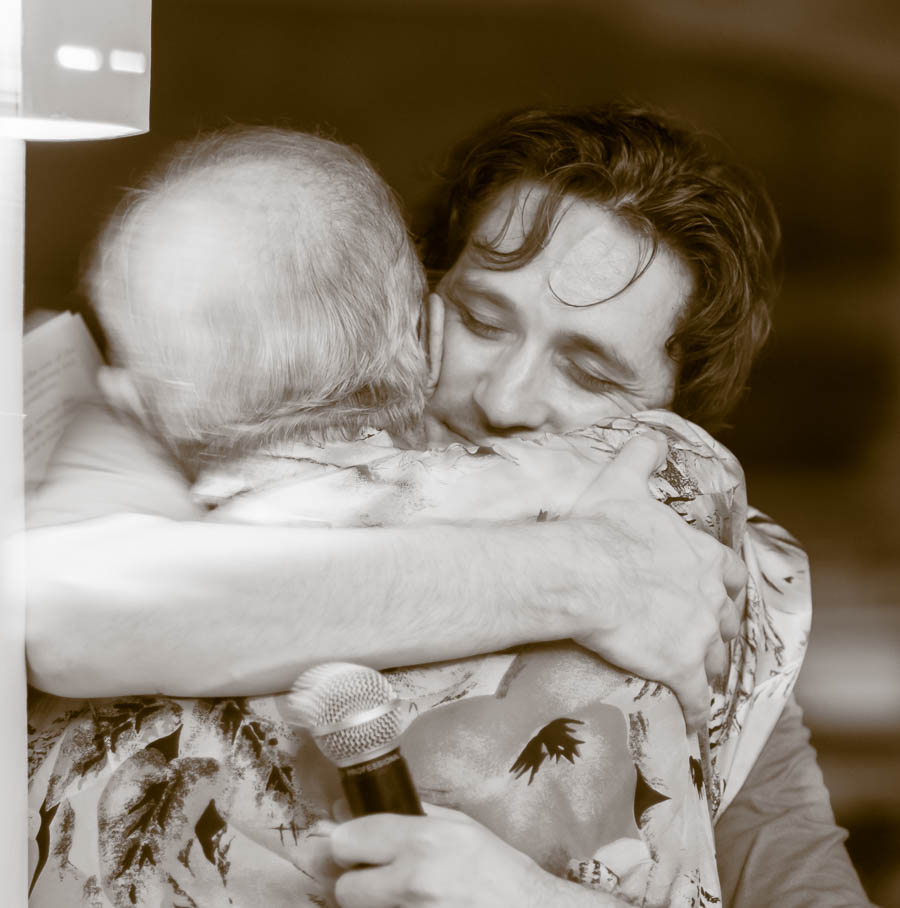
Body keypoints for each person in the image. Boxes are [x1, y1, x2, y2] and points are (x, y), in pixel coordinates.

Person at [25, 104, 872, 906]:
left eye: (590, 374)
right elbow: (66, 611)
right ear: (413, 307)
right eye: (480, 319)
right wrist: (591, 573)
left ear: (673, 414)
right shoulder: (208, 416)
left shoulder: (709, 608)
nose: (506, 397)